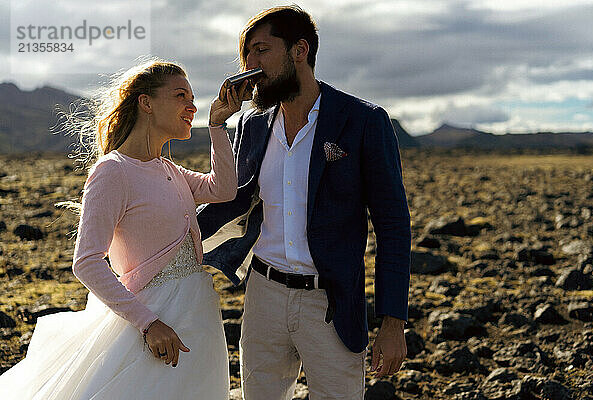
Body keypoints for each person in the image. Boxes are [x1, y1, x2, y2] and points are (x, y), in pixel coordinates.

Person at [196, 6, 412, 399]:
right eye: (246, 55)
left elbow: (393, 227)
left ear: (299, 50)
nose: (250, 65)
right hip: (263, 296)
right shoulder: (252, 122)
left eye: (261, 50)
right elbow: (232, 200)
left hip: (330, 302)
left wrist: (393, 321)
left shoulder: (363, 120)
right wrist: (164, 237)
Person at [0, 59, 244, 399]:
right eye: (180, 95)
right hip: (151, 323)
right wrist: (148, 324)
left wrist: (217, 124)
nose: (192, 106)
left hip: (196, 317)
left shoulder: (169, 169)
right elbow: (86, 262)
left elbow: (223, 190)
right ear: (146, 102)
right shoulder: (113, 172)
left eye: (192, 97)